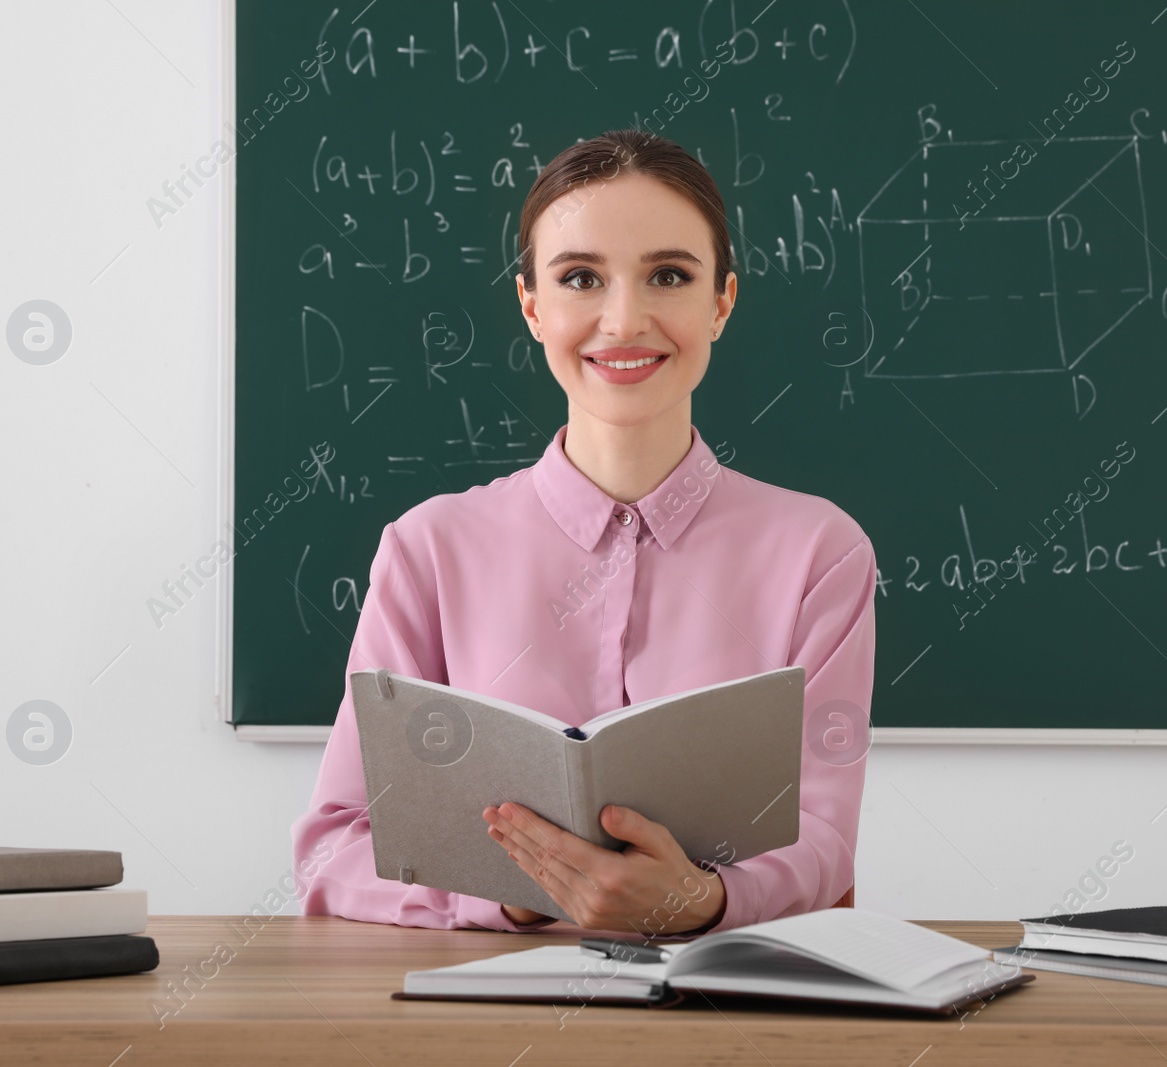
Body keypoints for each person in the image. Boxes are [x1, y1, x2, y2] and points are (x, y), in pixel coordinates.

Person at [290, 128, 876, 938]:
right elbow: (332, 848)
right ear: (533, 306)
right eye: (580, 278)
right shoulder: (428, 549)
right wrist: (512, 891)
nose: (625, 318)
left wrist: (700, 900)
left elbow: (825, 839)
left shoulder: (820, 551)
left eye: (669, 275)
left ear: (722, 302)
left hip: (729, 1019)